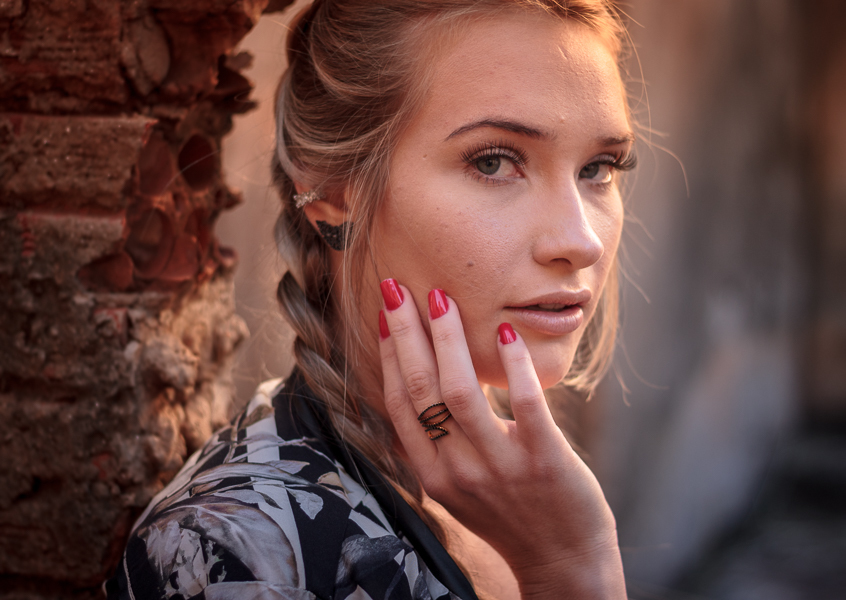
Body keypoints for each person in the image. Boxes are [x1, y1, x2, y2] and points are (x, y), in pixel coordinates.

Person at [105, 0, 636, 598]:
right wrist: (572, 567)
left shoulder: (524, 498)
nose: (581, 242)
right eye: (493, 161)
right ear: (331, 188)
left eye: (600, 167)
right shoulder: (233, 554)